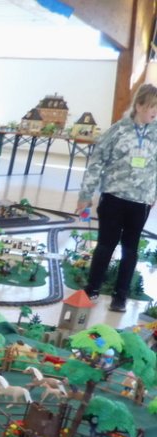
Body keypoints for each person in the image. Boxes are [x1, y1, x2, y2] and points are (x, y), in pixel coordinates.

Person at [77, 83, 157, 313]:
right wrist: (86, 194)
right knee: (106, 245)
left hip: (141, 202)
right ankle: (92, 288)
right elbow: (96, 162)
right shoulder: (118, 130)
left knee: (130, 249)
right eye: (153, 107)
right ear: (139, 105)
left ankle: (120, 296)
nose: (155, 112)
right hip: (114, 198)